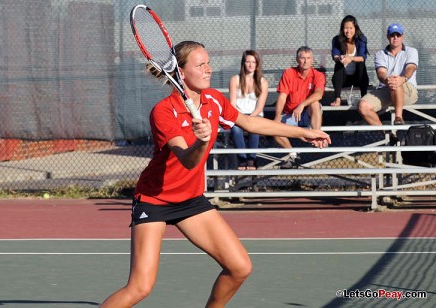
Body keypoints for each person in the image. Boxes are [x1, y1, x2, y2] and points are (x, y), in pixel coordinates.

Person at [99, 41, 331, 308]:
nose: (209, 69)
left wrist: (304, 133)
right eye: (201, 65)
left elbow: (250, 122)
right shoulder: (164, 112)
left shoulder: (214, 101)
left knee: (239, 267)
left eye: (209, 62)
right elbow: (187, 160)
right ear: (181, 73)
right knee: (140, 287)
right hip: (154, 201)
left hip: (191, 200)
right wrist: (201, 141)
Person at [273, 46, 325, 169]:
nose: (305, 61)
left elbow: (319, 94)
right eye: (302, 58)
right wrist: (276, 118)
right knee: (273, 129)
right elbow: (282, 97)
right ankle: (293, 155)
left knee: (315, 102)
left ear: (312, 60)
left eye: (308, 58)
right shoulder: (288, 73)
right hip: (291, 116)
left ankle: (317, 135)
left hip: (308, 114)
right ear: (297, 59)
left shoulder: (318, 75)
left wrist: (302, 104)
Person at [358, 23, 418, 126]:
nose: (395, 38)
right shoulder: (379, 54)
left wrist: (402, 79)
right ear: (387, 36)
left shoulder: (412, 51)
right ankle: (387, 134)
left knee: (396, 81)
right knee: (363, 106)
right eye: (392, 35)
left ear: (402, 36)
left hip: (408, 90)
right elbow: (381, 73)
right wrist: (387, 80)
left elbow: (410, 68)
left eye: (398, 35)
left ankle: (398, 118)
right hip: (386, 88)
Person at [229, 50, 268, 170]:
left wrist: (250, 118)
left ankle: (251, 160)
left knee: (254, 128)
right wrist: (241, 118)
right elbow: (232, 104)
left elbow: (260, 107)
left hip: (254, 115)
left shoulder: (263, 82)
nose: (251, 65)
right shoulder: (235, 79)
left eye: (253, 62)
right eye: (248, 62)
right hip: (238, 114)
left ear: (257, 64)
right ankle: (242, 159)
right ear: (243, 63)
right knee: (235, 129)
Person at [330, 15, 370, 106]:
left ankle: (364, 98)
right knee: (338, 64)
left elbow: (363, 57)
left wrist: (351, 58)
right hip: (343, 79)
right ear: (342, 29)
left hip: (358, 78)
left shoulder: (361, 39)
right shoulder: (337, 40)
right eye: (345, 28)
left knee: (361, 63)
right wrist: (339, 58)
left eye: (351, 28)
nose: (348, 31)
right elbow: (335, 55)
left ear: (355, 28)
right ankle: (337, 98)